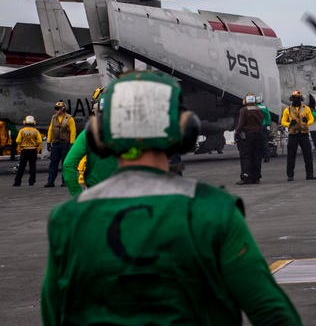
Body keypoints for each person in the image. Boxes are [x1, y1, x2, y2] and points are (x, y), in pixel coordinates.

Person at [40, 70, 302, 326]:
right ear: (182, 131)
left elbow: (54, 315)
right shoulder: (213, 211)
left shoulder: (68, 220)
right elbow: (272, 313)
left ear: (101, 134)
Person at [281, 90, 316, 181]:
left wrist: (307, 122)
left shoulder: (306, 109)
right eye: (294, 98)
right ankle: (290, 175)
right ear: (292, 99)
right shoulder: (287, 110)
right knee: (291, 156)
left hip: (304, 134)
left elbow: (312, 119)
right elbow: (283, 122)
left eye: (298, 98)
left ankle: (310, 174)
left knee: (308, 155)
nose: (296, 100)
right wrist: (289, 124)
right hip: (293, 135)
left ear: (301, 99)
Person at [235, 93, 266, 185]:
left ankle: (246, 177)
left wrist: (237, 133)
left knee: (246, 156)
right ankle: (256, 177)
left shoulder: (244, 110)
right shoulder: (259, 109)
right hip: (258, 135)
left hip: (247, 136)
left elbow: (240, 124)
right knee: (257, 156)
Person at [44, 101, 76, 188]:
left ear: (63, 109)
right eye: (55, 108)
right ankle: (50, 181)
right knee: (53, 163)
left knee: (65, 163)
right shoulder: (54, 118)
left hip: (65, 143)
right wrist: (48, 142)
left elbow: (73, 131)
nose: (56, 110)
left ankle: (65, 181)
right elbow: (50, 129)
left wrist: (72, 143)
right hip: (55, 144)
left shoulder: (69, 118)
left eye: (58, 108)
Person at [13, 115, 43, 187]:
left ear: (25, 122)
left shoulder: (22, 131)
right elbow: (40, 141)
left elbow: (17, 140)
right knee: (32, 166)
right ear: (34, 123)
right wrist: (34, 144)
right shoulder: (36, 131)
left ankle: (17, 182)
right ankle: (31, 181)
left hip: (24, 150)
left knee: (22, 166)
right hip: (33, 150)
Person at [257, 95, 272, 163]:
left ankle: (257, 157)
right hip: (264, 126)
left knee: (256, 142)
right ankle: (267, 157)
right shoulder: (264, 107)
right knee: (265, 142)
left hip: (256, 127)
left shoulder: (254, 107)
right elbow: (268, 117)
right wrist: (268, 124)